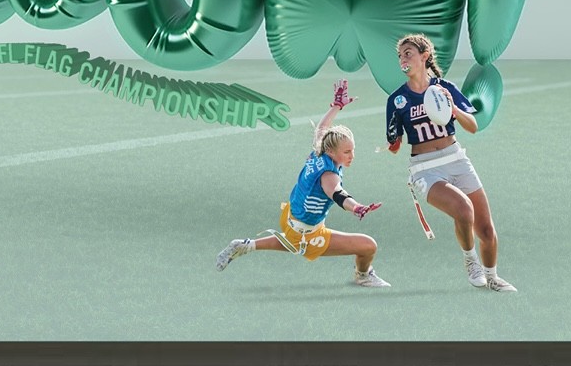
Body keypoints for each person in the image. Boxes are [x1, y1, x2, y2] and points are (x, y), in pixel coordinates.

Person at [217, 80, 388, 287]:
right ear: (332, 152)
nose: (352, 156)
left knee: (293, 241)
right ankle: (363, 275)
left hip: (291, 216)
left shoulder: (319, 151)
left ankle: (246, 245)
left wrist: (337, 105)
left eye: (353, 150)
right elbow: (337, 193)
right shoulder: (329, 174)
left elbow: (322, 128)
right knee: (368, 246)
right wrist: (357, 207)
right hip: (307, 231)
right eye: (346, 152)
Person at [386, 33, 514, 292]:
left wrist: (453, 110)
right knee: (464, 210)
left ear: (424, 56)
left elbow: (473, 126)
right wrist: (393, 142)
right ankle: (470, 260)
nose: (402, 59)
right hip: (425, 168)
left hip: (456, 158)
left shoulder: (445, 89)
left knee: (486, 230)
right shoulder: (397, 99)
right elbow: (395, 145)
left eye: (408, 53)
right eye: (399, 56)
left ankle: (493, 277)